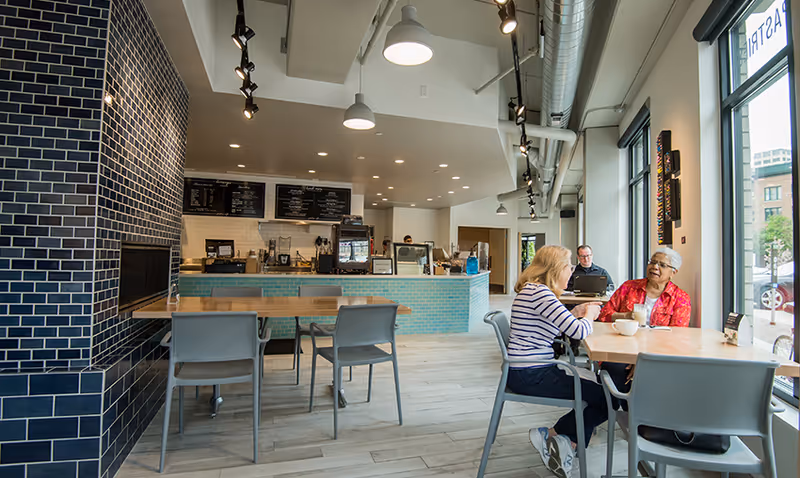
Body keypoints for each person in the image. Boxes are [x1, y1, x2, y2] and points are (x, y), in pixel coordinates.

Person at [508, 245, 606, 478]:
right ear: (558, 268)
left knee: (597, 392)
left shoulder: (533, 291)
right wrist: (589, 315)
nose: (571, 272)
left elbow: (552, 326)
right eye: (569, 267)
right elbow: (578, 333)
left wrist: (576, 311)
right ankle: (559, 438)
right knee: (607, 399)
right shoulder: (542, 294)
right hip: (532, 375)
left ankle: (562, 441)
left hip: (527, 370)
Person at [597, 247, 691, 409]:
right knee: (613, 369)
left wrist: (640, 361)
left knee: (649, 376)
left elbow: (677, 336)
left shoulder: (680, 298)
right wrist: (625, 316)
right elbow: (604, 315)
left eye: (662, 265)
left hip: (656, 354)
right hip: (621, 348)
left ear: (673, 272)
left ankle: (639, 415)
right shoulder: (629, 287)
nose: (655, 267)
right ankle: (612, 410)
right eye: (653, 262)